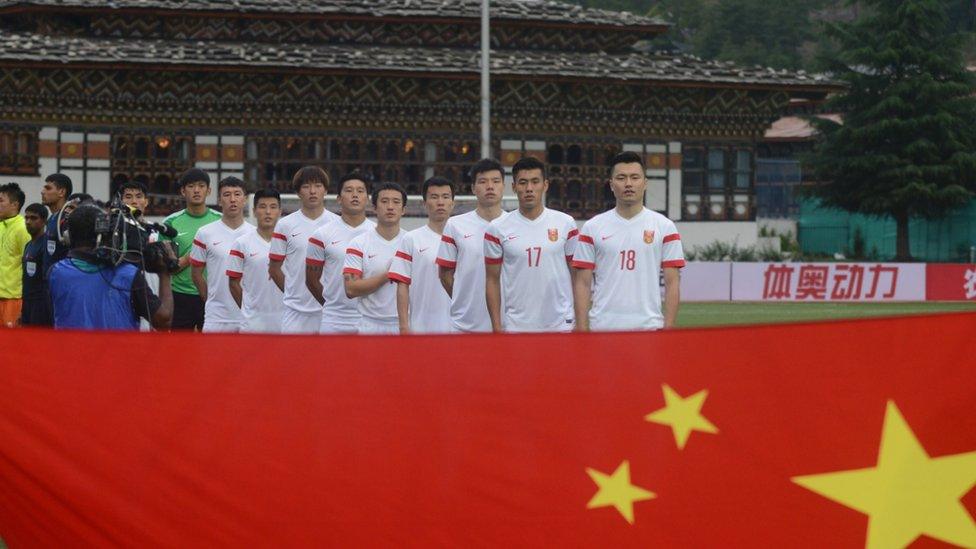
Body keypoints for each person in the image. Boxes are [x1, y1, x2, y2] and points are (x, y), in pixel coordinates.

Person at [572, 151, 685, 331]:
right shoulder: (592, 227)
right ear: (611, 184)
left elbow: (672, 282)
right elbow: (583, 283)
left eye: (635, 177)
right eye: (621, 178)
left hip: (649, 327)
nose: (628, 184)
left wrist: (668, 329)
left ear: (645, 183)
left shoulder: (665, 227)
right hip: (603, 327)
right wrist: (582, 327)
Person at [484, 156, 578, 332]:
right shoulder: (497, 228)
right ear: (514, 187)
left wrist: (580, 319)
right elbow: (492, 280)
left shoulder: (566, 224)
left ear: (546, 185)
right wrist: (497, 328)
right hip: (517, 326)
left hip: (560, 325)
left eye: (535, 182)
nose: (529, 189)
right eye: (523, 183)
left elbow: (578, 275)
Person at [48, 204, 174, 330]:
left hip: (69, 349)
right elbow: (163, 321)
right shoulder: (128, 274)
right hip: (118, 349)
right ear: (103, 234)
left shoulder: (55, 272)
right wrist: (164, 274)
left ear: (67, 236)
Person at [435, 158, 509, 333]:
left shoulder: (516, 225)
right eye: (483, 182)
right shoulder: (455, 225)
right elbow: (445, 273)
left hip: (509, 323)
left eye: (496, 181)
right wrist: (463, 299)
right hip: (466, 325)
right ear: (473, 188)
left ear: (504, 186)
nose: (490, 186)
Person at [269, 166, 339, 334]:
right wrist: (292, 292)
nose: (312, 191)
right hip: (295, 312)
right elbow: (274, 268)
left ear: (326, 190)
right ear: (298, 192)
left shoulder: (337, 224)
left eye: (318, 186)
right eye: (306, 187)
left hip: (328, 310)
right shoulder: (285, 225)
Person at [305, 171, 375, 334]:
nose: (355, 195)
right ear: (338, 198)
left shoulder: (377, 233)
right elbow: (311, 280)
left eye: (360, 191)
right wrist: (331, 305)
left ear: (367, 198)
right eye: (349, 190)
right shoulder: (321, 235)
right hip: (334, 319)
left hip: (369, 318)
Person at [389, 176, 455, 334]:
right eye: (434, 197)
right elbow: (402, 286)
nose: (440, 202)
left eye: (445, 197)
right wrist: (404, 326)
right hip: (422, 328)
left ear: (453, 203)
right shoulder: (411, 239)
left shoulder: (464, 238)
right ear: (424, 204)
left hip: (461, 326)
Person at [189, 177, 255, 333]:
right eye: (227, 195)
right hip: (216, 318)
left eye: (237, 194)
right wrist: (211, 300)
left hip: (248, 317)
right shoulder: (204, 233)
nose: (232, 199)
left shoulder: (255, 234)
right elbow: (196, 274)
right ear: (219, 200)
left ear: (245, 199)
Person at [342, 182, 406, 335]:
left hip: (406, 323)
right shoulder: (359, 243)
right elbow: (350, 289)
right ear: (374, 207)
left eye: (396, 202)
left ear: (403, 210)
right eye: (384, 201)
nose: (390, 207)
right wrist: (388, 275)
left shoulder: (413, 243)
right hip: (370, 325)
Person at [162, 168, 221, 330]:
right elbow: (166, 269)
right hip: (180, 295)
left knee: (212, 351)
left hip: (213, 296)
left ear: (208, 191)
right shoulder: (170, 223)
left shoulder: (220, 221)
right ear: (182, 191)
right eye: (191, 186)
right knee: (179, 351)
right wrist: (193, 256)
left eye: (201, 186)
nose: (196, 190)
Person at [226, 188, 284, 333]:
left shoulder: (290, 243)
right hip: (252, 323)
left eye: (273, 207)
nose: (268, 212)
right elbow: (233, 282)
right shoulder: (241, 243)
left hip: (285, 320)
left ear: (280, 211)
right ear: (254, 210)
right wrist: (248, 308)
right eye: (263, 207)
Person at [34, 173, 73, 325]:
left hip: (62, 287)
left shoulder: (66, 218)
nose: (42, 191)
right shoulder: (52, 219)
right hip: (48, 287)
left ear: (61, 192)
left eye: (48, 187)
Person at [0, 183, 31, 327]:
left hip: (13, 299)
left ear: (14, 204)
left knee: (10, 345)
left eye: (1, 200)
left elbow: (29, 264)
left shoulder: (23, 228)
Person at [20, 203, 48, 326]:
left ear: (44, 222)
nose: (28, 221)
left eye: (33, 218)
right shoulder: (28, 245)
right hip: (27, 302)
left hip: (40, 304)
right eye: (26, 218)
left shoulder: (46, 245)